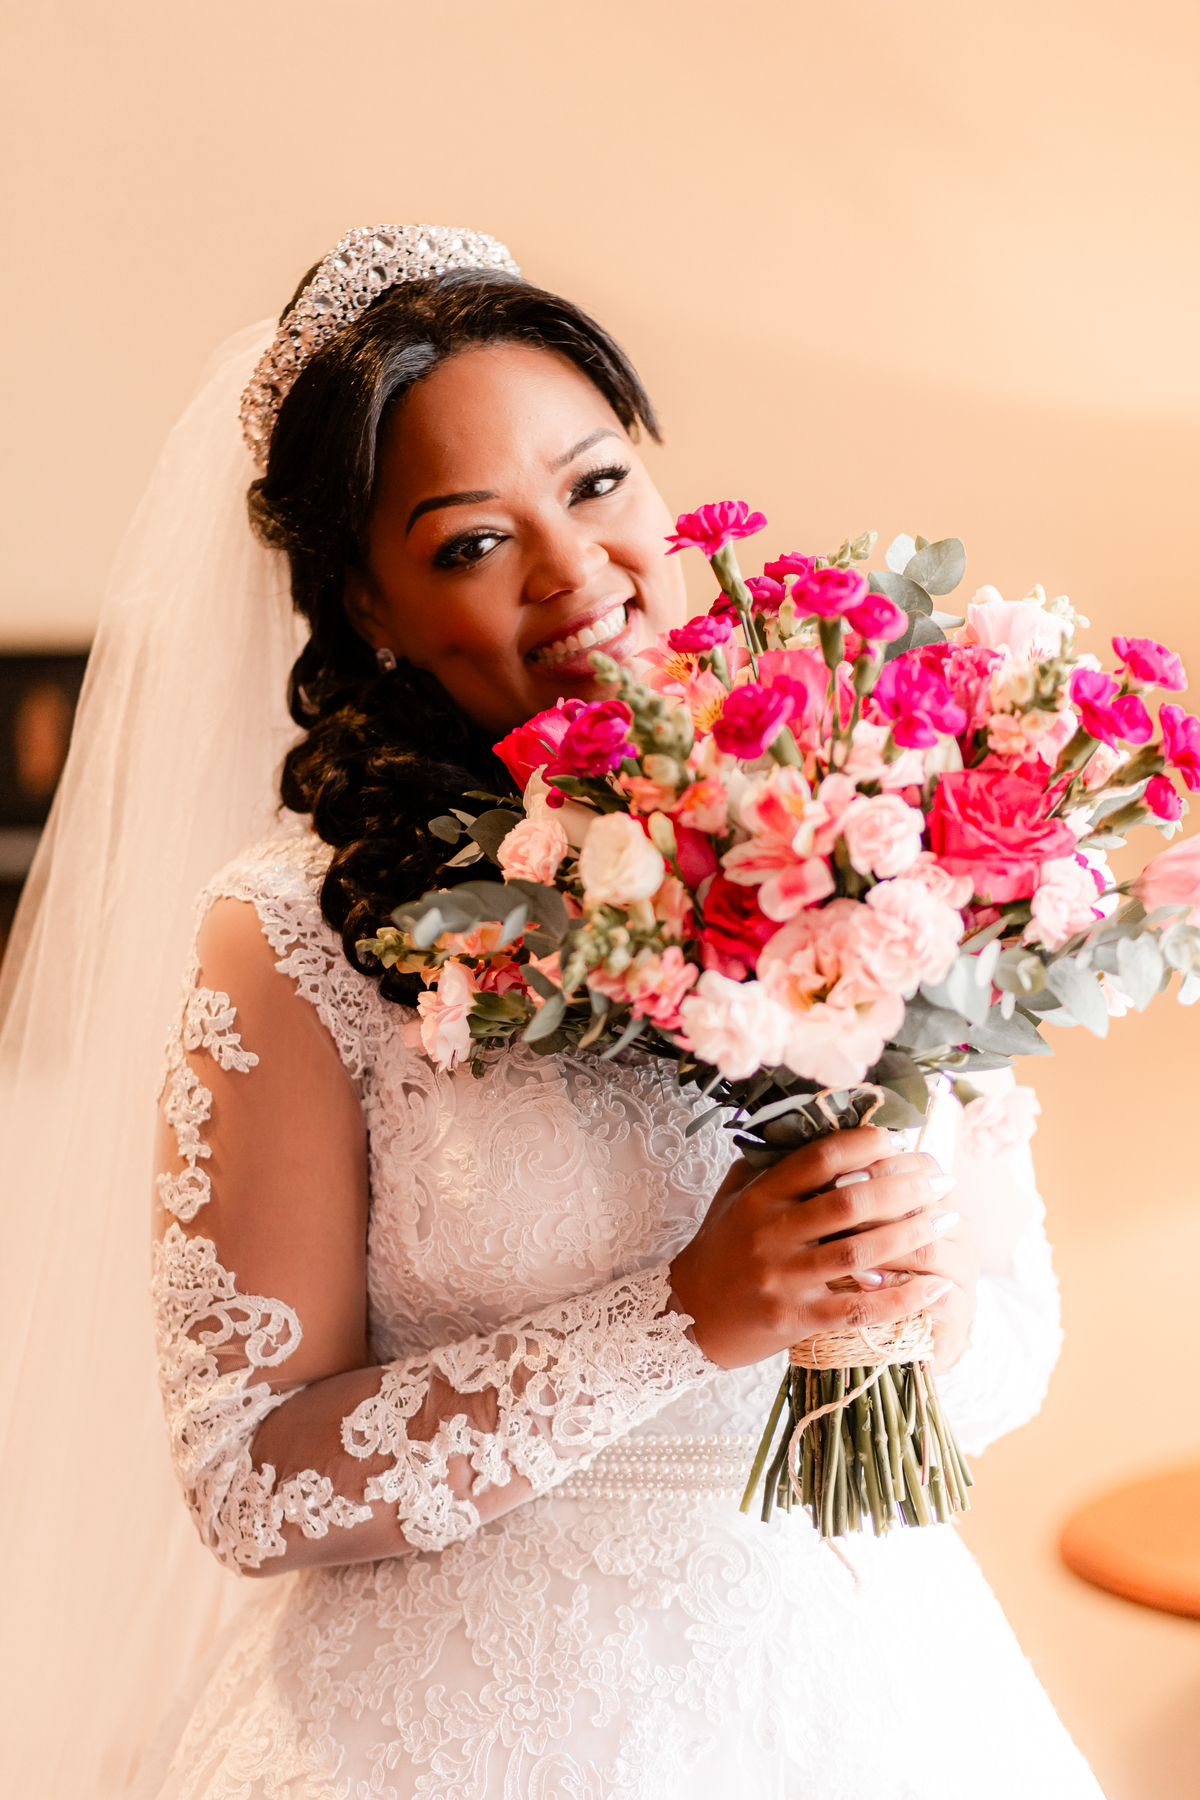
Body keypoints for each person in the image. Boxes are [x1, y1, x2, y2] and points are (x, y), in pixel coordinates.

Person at [0, 225, 1105, 1800]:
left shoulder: (870, 823)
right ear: (369, 606)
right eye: (469, 542)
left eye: (595, 484)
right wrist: (684, 1316)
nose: (573, 568)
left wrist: (907, 1310)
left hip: (869, 1703)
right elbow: (252, 1481)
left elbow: (1007, 1358)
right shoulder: (294, 933)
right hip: (452, 1740)